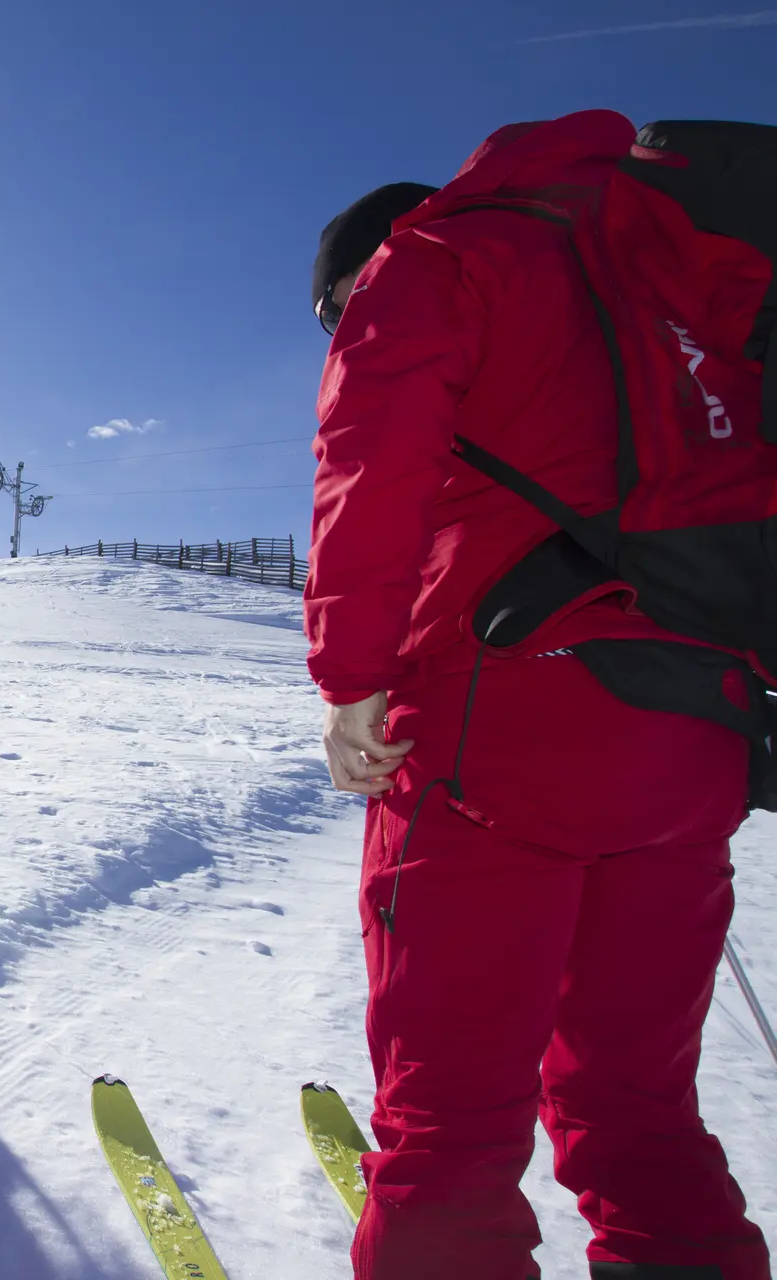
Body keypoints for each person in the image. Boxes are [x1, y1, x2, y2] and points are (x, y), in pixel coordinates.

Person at [308, 113, 769, 1280]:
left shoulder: (437, 259)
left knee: (451, 1123)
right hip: (696, 726)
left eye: (332, 313)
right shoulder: (662, 266)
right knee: (640, 1102)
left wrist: (353, 679)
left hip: (498, 726)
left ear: (362, 267)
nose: (337, 333)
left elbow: (372, 464)